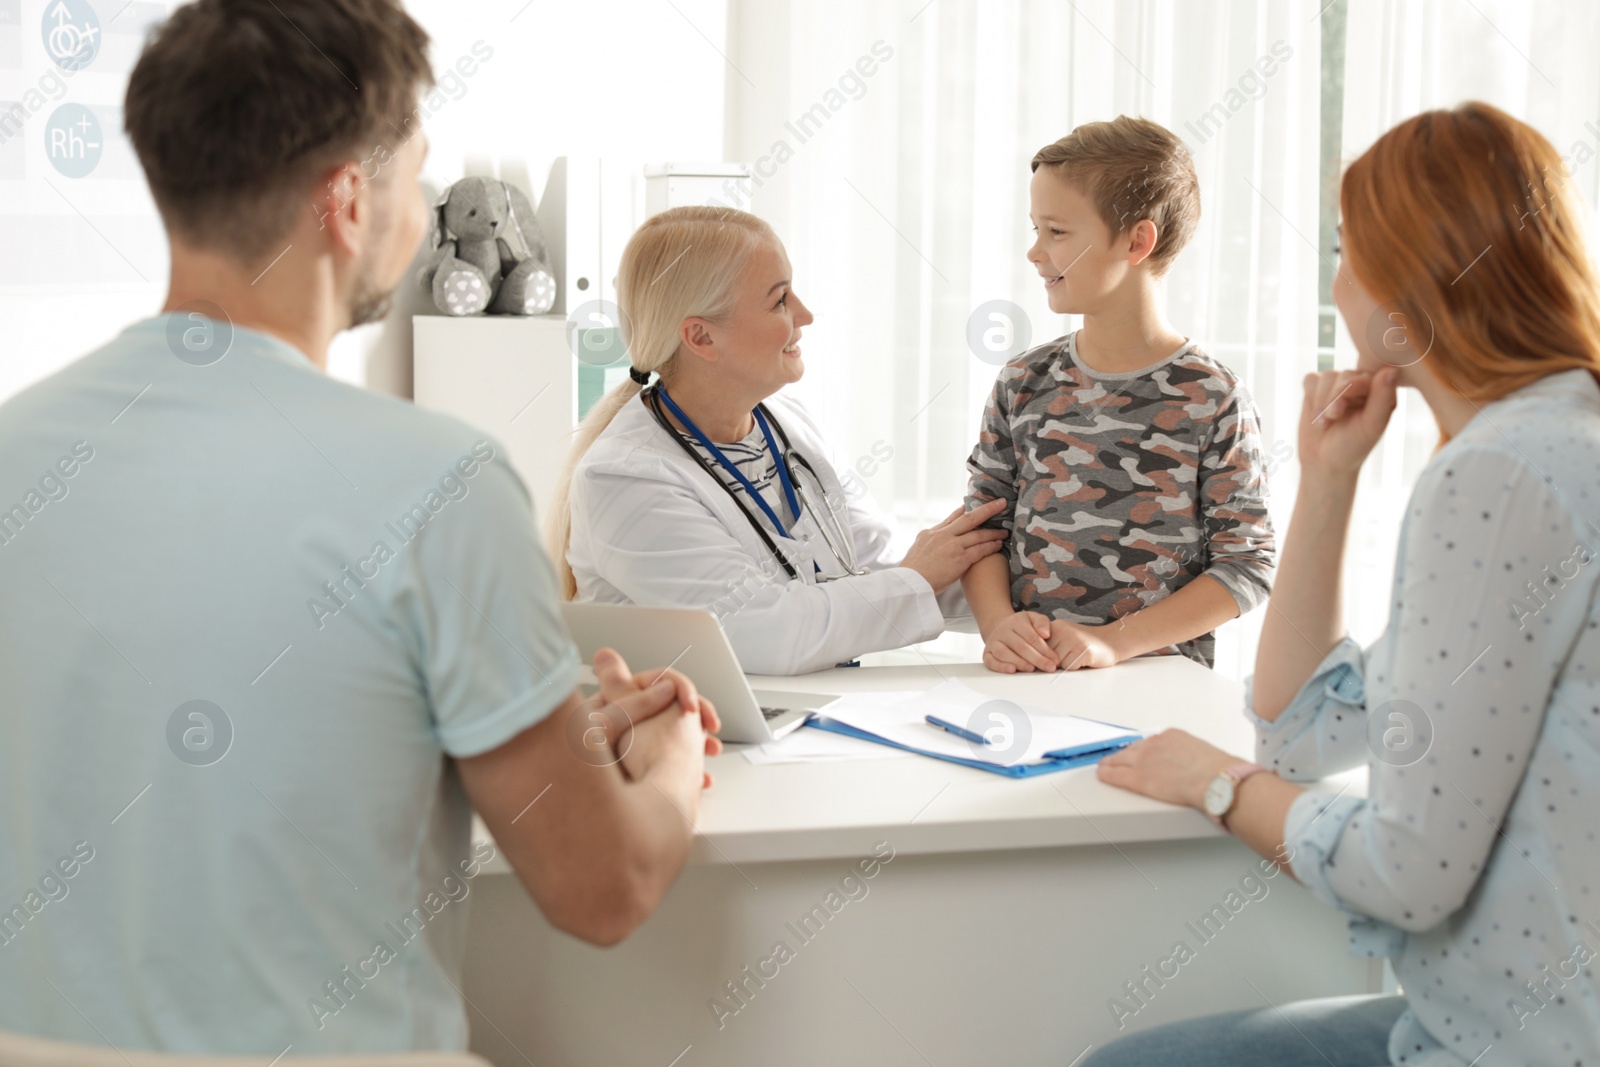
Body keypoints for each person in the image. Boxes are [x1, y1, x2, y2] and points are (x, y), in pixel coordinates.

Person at [0, 0, 717, 1054]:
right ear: (346, 198)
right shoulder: (438, 483)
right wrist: (666, 758)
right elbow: (601, 887)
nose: (424, 219)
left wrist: (536, 732)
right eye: (415, 180)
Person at [1087, 101, 1600, 1067]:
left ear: (1413, 276)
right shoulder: (1550, 438)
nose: (1337, 283)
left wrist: (1215, 784)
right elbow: (1305, 732)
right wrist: (1327, 480)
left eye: (1347, 250)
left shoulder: (1501, 475)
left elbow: (1406, 873)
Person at [550, 206, 1008, 675]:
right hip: (699, 737)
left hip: (805, 715)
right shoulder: (626, 476)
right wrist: (918, 577)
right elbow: (764, 633)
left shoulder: (785, 423)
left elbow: (877, 559)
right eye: (779, 301)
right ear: (702, 337)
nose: (805, 315)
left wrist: (1038, 592)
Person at [962, 116, 1276, 674]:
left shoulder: (1213, 397)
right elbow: (982, 529)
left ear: (1137, 240)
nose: (1035, 253)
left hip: (1156, 689)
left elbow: (1247, 565)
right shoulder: (1022, 382)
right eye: (1035, 229)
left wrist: (1115, 643)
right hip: (1032, 680)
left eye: (1056, 232)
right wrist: (998, 626)